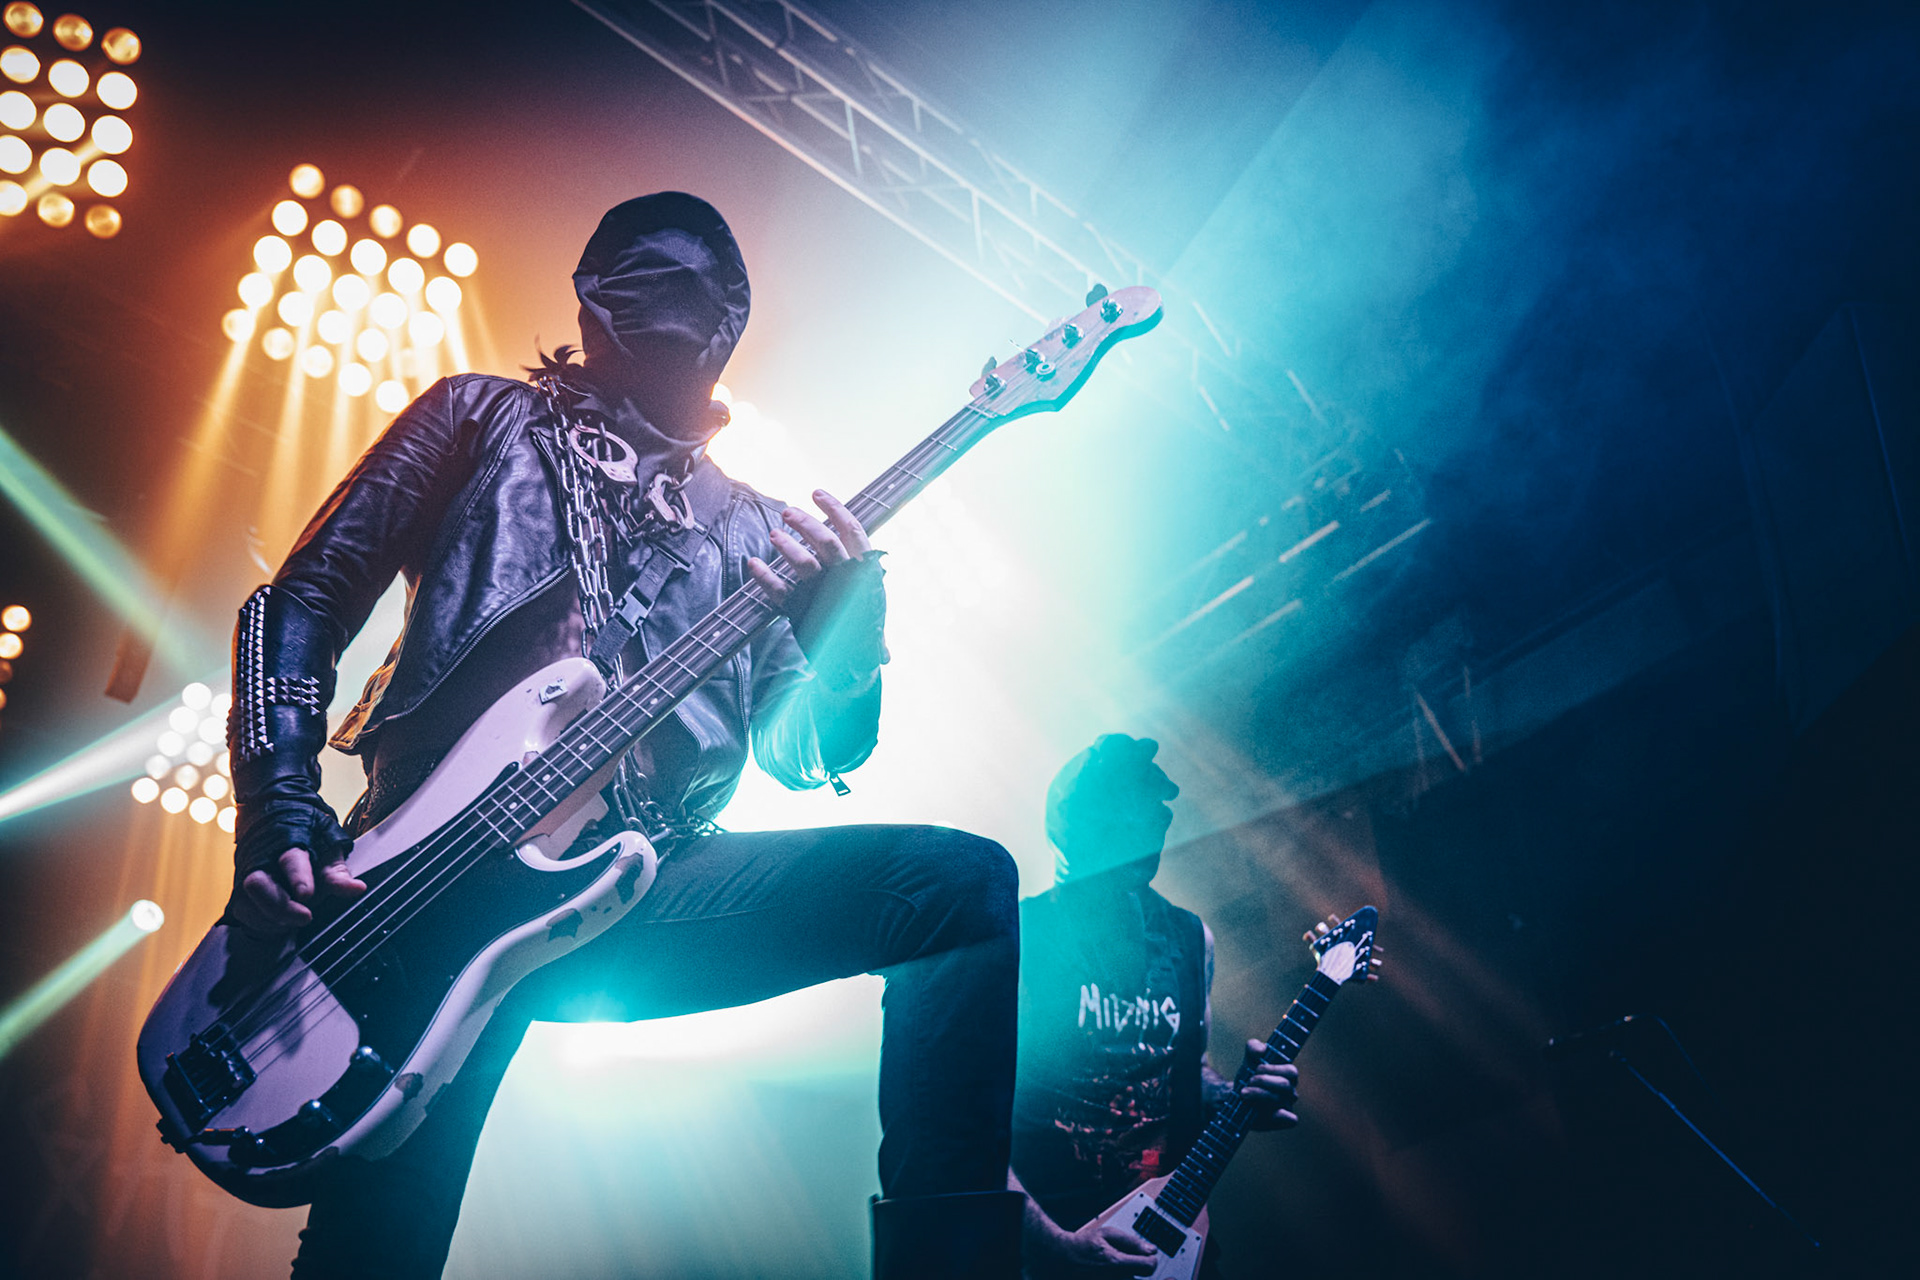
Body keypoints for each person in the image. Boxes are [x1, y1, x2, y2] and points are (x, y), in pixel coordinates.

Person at [224, 192, 1023, 1279]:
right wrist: (280, 811)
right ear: (589, 295)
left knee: (959, 889)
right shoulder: (481, 417)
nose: (683, 302)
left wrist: (848, 631)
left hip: (648, 887)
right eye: (653, 273)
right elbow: (301, 600)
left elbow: (817, 754)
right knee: (379, 1248)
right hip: (421, 889)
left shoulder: (756, 530)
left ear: (734, 327)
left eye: (709, 288)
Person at [1010, 735, 1298, 1278]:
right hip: (1056, 1242)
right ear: (1080, 824)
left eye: (1155, 808)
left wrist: (1239, 1095)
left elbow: (1190, 1071)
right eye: (1133, 806)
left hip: (1168, 1236)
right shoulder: (1022, 940)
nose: (1156, 820)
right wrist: (1051, 1244)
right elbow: (971, 1125)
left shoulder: (1191, 939)